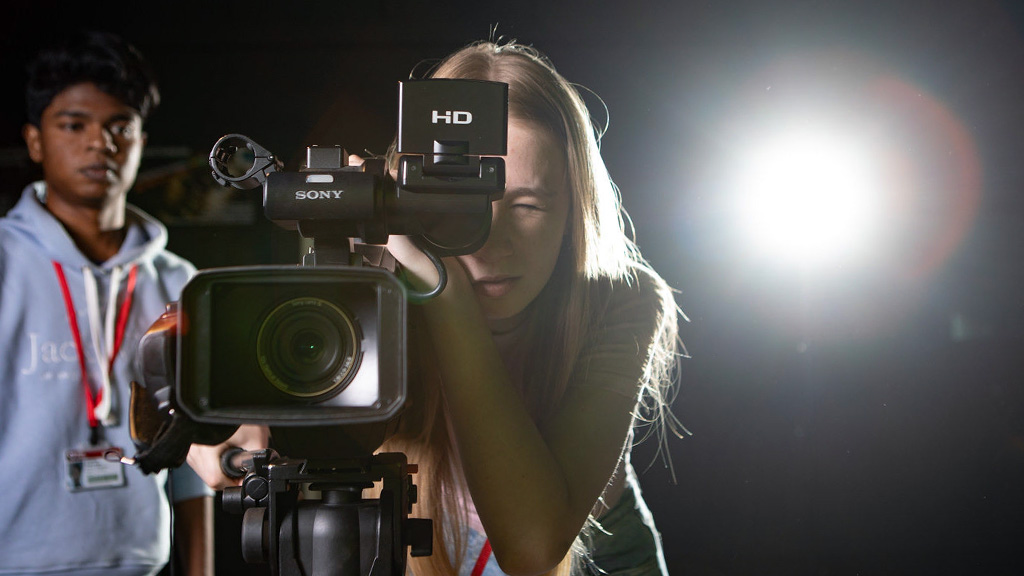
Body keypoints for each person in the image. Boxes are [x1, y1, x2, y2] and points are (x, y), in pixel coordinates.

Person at [375, 39, 685, 576]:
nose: (493, 243)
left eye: (528, 205)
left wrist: (444, 293)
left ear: (574, 209)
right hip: (419, 538)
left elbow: (535, 549)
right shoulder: (376, 290)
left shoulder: (622, 298)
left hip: (595, 546)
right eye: (464, 206)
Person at [0, 29, 244, 576]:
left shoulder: (180, 282)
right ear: (35, 141)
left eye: (119, 127)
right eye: (74, 125)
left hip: (141, 561)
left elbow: (192, 449)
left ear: (139, 139)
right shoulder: (5, 264)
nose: (100, 144)